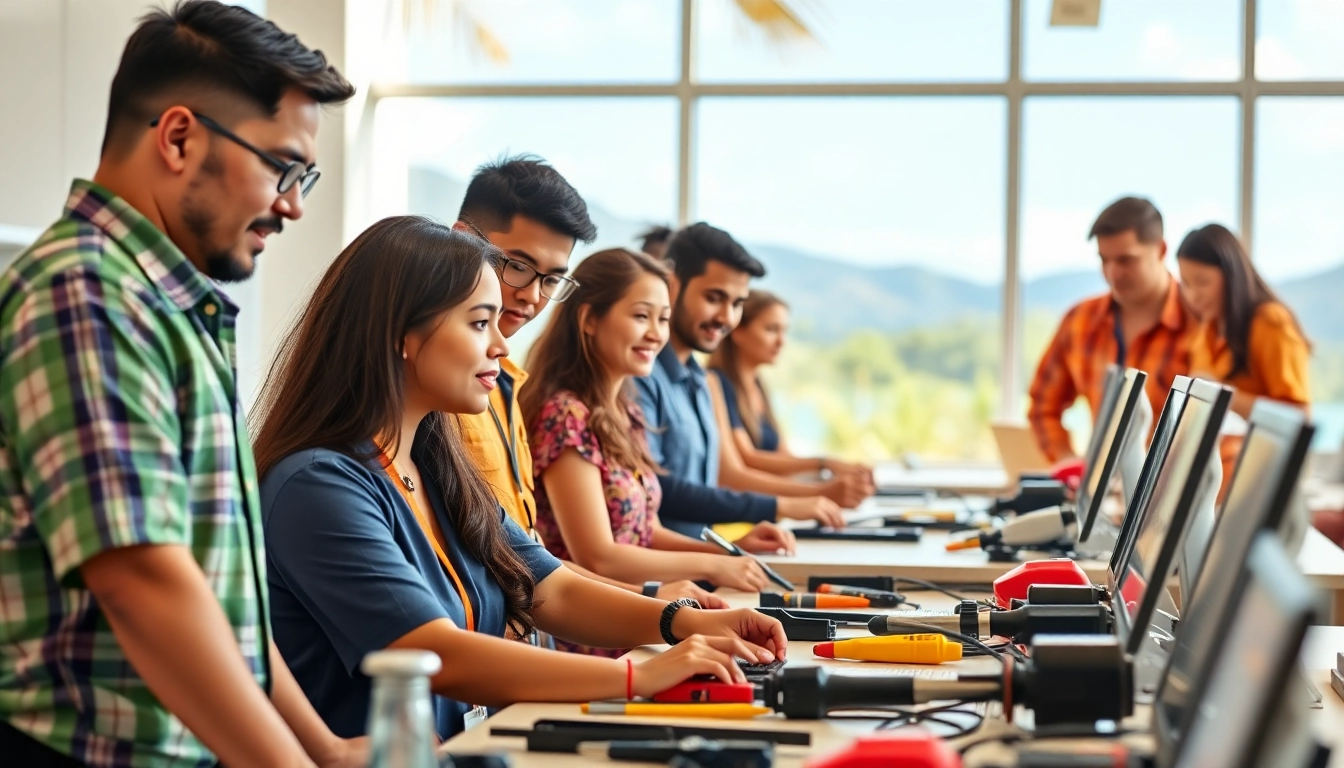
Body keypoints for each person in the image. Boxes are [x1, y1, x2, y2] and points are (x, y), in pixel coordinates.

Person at [0, 3, 367, 766]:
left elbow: (221, 605)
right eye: (281, 167)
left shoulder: (165, 306)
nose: (293, 205)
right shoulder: (86, 293)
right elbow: (143, 582)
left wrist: (326, 752)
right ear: (178, 138)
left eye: (304, 176)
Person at [253, 217, 786, 739]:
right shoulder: (318, 485)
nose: (502, 346)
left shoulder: (433, 461)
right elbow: (434, 652)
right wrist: (637, 677)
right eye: (478, 323)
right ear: (402, 335)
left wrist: (682, 621)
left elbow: (550, 588)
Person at [450, 157, 785, 605]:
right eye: (518, 265)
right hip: (556, 621)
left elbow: (534, 547)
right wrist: (677, 588)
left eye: (551, 279)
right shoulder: (557, 411)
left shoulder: (519, 388)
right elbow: (592, 555)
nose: (531, 295)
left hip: (556, 613)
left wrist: (725, 555)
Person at [522, 249, 797, 655]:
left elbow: (646, 530)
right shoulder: (565, 415)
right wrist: (713, 564)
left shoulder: (626, 411)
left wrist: (732, 551)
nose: (656, 333)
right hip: (595, 635)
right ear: (590, 319)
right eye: (641, 316)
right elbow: (599, 556)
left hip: (644, 621)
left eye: (663, 319)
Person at [636, 223, 847, 537]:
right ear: (671, 285)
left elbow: (723, 477)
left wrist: (736, 547)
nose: (726, 318)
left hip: (701, 558)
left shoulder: (701, 381)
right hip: (666, 565)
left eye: (736, 304)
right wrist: (779, 505)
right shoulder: (640, 377)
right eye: (714, 298)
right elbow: (655, 489)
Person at [1028, 197, 1196, 462]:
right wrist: (1067, 461)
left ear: (1161, 250)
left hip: (1175, 485)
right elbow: (1042, 406)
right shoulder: (1080, 320)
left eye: (1126, 260)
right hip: (1102, 485)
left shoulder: (1200, 322)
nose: (1112, 273)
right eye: (1104, 260)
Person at [1177, 223, 1311, 484]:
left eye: (1203, 282)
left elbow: (1299, 419)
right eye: (1186, 283)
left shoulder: (1270, 322)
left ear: (1231, 276)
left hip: (1263, 480)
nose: (1192, 295)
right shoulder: (1205, 331)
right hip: (1213, 480)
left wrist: (1224, 396)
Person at [707, 290, 874, 488]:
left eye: (784, 331)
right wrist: (824, 464)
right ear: (738, 332)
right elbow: (746, 458)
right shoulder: (718, 384)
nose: (781, 341)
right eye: (771, 329)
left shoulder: (758, 386)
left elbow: (784, 456)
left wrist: (838, 478)